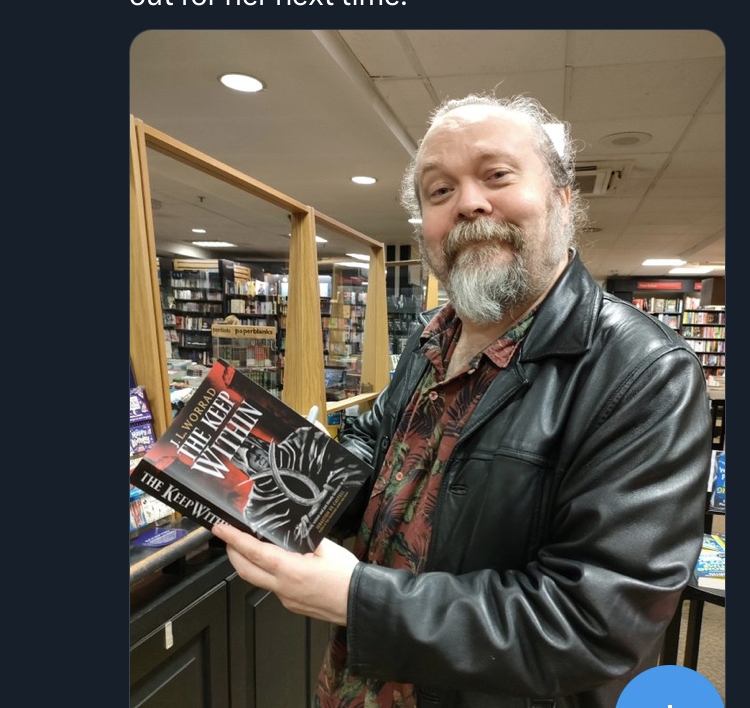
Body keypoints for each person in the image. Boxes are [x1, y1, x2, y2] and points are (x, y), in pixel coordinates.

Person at [212, 93, 713, 708]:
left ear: (562, 200)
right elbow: (381, 449)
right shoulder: (431, 336)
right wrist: (289, 475)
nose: (469, 203)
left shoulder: (644, 373)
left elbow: (597, 623)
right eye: (440, 190)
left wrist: (357, 598)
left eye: (497, 175)